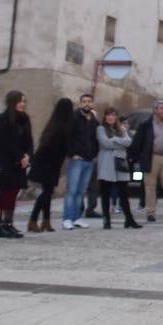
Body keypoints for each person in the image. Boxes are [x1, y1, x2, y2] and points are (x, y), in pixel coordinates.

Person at [0, 90, 33, 239]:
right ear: (12, 102)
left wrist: (28, 155)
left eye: (24, 101)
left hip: (21, 163)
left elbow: (29, 140)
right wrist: (19, 156)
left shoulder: (25, 118)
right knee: (4, 193)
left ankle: (9, 223)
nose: (23, 104)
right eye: (20, 101)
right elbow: (3, 142)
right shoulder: (1, 120)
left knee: (13, 193)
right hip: (7, 161)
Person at [132, 101, 163, 223]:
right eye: (161, 109)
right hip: (152, 157)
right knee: (150, 186)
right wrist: (137, 158)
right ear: (155, 110)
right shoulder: (146, 125)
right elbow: (138, 142)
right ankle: (150, 212)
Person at [28, 98, 71, 233]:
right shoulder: (61, 127)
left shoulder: (54, 124)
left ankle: (46, 221)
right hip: (48, 163)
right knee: (46, 193)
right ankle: (33, 220)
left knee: (48, 192)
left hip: (49, 163)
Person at [96, 108, 139, 229]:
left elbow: (129, 142)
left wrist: (114, 139)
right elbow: (105, 144)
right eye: (108, 115)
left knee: (124, 194)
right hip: (107, 164)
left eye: (113, 115)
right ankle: (106, 220)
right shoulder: (101, 129)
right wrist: (120, 143)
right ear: (105, 117)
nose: (111, 117)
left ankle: (129, 219)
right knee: (105, 194)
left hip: (120, 164)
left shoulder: (121, 129)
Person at [63, 94, 99, 230]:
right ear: (80, 104)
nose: (87, 104)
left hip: (89, 160)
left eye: (89, 101)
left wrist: (95, 154)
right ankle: (67, 218)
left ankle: (76, 217)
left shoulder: (94, 121)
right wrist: (71, 154)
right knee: (71, 190)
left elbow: (96, 140)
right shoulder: (73, 118)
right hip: (77, 160)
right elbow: (66, 137)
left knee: (80, 191)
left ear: (92, 104)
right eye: (84, 102)